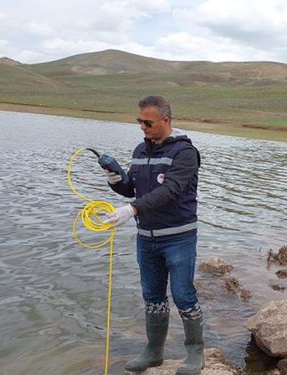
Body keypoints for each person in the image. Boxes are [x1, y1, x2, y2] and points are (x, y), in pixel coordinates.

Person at [103, 95, 204, 374]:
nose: (142, 127)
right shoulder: (140, 150)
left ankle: (196, 353)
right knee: (152, 296)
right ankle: (154, 352)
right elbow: (133, 189)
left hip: (179, 237)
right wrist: (117, 181)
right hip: (146, 239)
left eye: (147, 122)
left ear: (166, 121)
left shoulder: (185, 153)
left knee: (183, 294)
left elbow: (169, 190)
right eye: (139, 122)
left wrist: (132, 209)